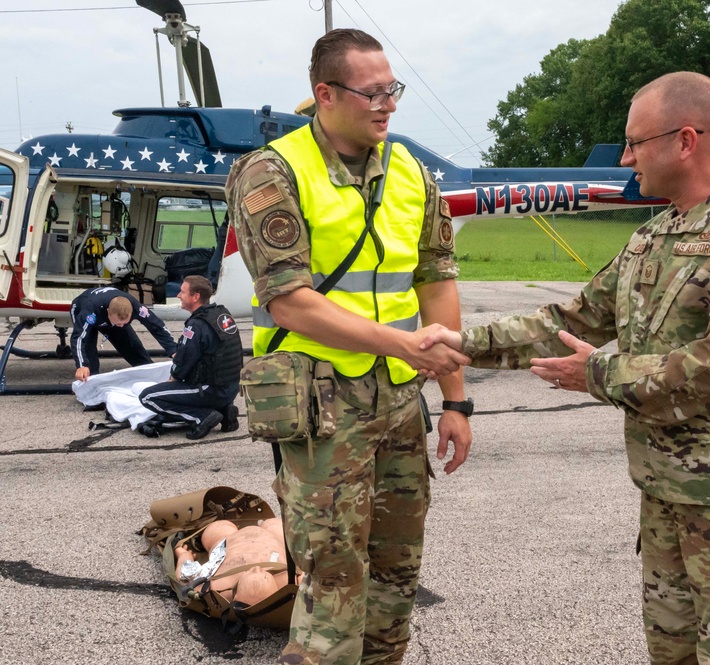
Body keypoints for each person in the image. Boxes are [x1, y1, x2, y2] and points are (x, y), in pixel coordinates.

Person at [423, 72, 710, 664]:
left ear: (685, 140)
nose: (625, 157)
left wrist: (600, 375)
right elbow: (571, 319)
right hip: (665, 495)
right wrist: (460, 342)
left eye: (635, 142)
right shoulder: (652, 238)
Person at [225, 28, 472, 665]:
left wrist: (456, 401)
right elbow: (288, 301)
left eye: (393, 90)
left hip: (398, 400)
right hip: (320, 403)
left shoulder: (414, 172)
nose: (388, 104)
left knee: (396, 577)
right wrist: (404, 344)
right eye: (373, 93)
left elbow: (436, 280)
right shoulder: (271, 170)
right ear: (325, 94)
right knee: (332, 580)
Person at [138, 276, 242, 440]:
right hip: (231, 388)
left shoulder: (196, 325)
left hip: (210, 390)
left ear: (196, 297)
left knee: (147, 397)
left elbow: (182, 363)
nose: (178, 295)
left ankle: (201, 416)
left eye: (182, 292)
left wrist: (173, 379)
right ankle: (225, 410)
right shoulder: (222, 314)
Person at [70, 285, 177, 382]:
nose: (121, 325)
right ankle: (90, 387)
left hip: (109, 315)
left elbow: (157, 325)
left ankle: (150, 377)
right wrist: (82, 365)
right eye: (118, 323)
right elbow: (78, 338)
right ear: (108, 312)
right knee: (89, 353)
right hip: (82, 307)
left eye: (124, 322)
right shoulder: (90, 311)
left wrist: (173, 350)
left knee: (133, 347)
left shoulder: (136, 307)